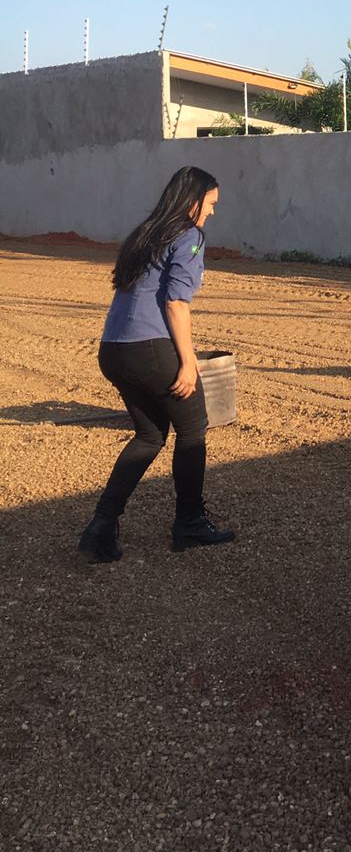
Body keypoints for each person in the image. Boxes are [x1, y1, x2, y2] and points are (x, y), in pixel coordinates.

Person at [78, 166, 236, 562]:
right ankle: (190, 523)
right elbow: (175, 302)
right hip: (149, 346)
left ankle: (101, 526)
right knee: (193, 427)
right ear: (192, 201)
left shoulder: (146, 233)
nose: (212, 212)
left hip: (114, 349)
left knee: (150, 436)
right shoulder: (189, 235)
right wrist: (188, 361)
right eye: (210, 204)